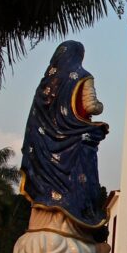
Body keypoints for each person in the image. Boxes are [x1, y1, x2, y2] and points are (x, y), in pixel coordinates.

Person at [19, 40, 109, 231]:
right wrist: (100, 106)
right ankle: (80, 213)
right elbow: (91, 106)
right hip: (74, 142)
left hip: (44, 149)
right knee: (81, 179)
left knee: (47, 186)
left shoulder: (46, 82)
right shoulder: (82, 77)